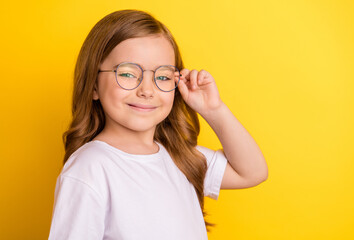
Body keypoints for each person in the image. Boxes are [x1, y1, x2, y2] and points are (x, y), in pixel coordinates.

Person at [48, 9, 268, 240]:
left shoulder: (180, 157)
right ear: (93, 85)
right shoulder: (90, 167)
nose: (146, 90)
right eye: (127, 74)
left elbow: (252, 172)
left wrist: (213, 110)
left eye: (162, 77)